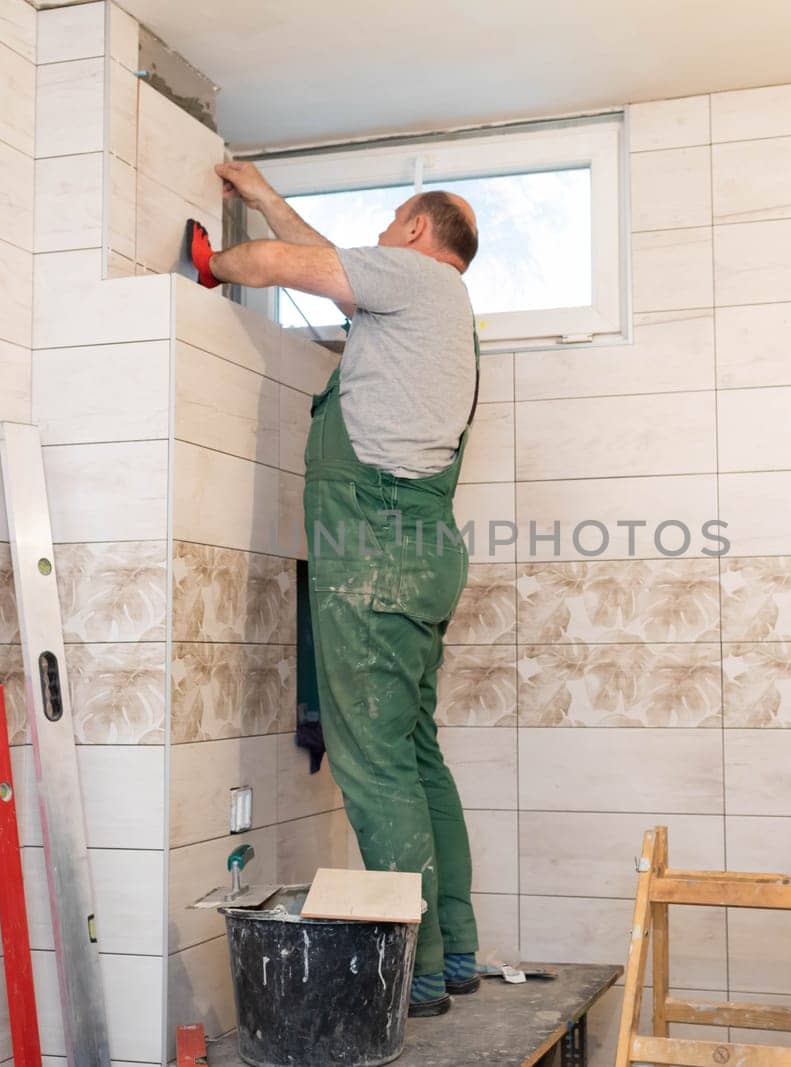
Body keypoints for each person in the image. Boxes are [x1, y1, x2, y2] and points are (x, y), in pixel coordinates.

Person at [188, 161, 482, 1018]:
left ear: (421, 233)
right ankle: (453, 949)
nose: (384, 233)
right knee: (417, 756)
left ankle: (413, 968)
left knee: (374, 762)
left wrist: (215, 268)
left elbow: (285, 267)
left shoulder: (414, 276)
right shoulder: (446, 313)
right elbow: (334, 265)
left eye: (394, 220)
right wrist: (269, 202)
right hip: (426, 553)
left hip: (375, 548)